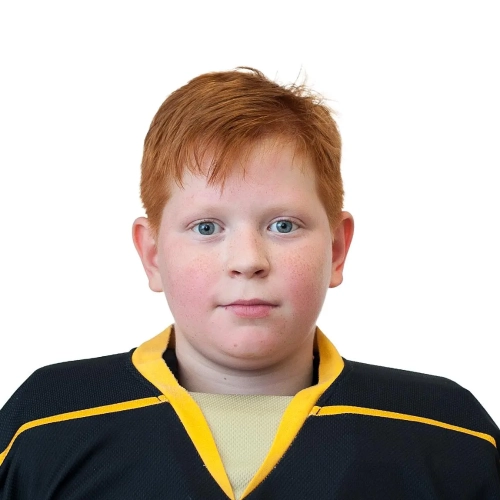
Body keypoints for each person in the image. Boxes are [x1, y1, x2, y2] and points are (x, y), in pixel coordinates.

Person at [0, 68, 498, 500]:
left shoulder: (449, 434)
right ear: (152, 255)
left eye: (283, 225)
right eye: (206, 227)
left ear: (336, 249)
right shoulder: (44, 424)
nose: (248, 261)